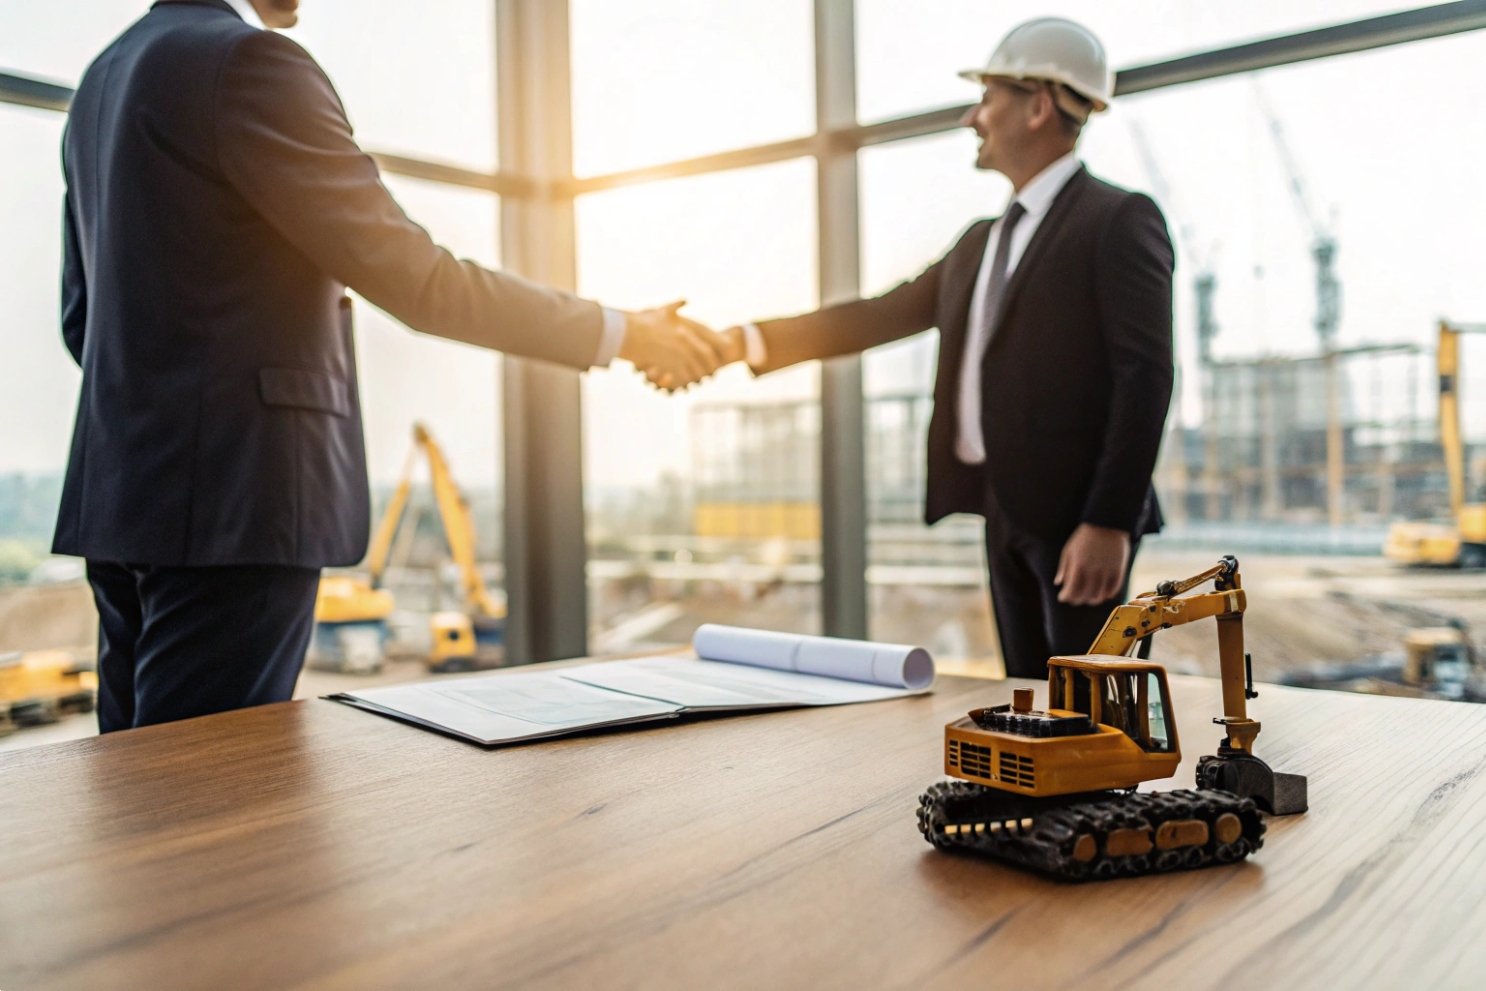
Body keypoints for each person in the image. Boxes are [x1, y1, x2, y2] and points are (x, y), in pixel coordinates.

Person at [56, 0, 726, 732]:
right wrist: (624, 332)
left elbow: (80, 320)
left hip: (121, 492)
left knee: (134, 787)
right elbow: (419, 280)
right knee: (203, 799)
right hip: (236, 499)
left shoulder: (103, 79)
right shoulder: (250, 64)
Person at [719, 18, 1175, 679]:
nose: (974, 117)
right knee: (1030, 696)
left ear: (1039, 105)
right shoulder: (979, 242)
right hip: (1003, 511)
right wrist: (746, 341)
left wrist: (1108, 521)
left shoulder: (1117, 219)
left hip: (1081, 524)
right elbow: (878, 315)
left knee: (1095, 714)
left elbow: (1147, 374)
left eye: (988, 97)